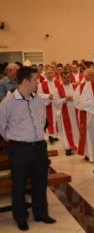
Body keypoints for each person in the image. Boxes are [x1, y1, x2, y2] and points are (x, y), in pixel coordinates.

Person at [0, 67, 56, 231]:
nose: (38, 82)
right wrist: (15, 140)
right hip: (19, 148)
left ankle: (41, 213)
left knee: (40, 182)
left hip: (39, 146)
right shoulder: (7, 103)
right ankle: (21, 217)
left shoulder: (37, 99)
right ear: (26, 81)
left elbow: (42, 119)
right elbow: (2, 127)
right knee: (19, 184)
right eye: (36, 79)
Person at [54, 70, 79, 156]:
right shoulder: (58, 89)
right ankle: (68, 148)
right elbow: (55, 102)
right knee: (66, 130)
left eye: (68, 77)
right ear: (61, 78)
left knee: (76, 129)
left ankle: (77, 145)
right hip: (65, 113)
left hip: (76, 113)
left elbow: (81, 98)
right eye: (64, 78)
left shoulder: (76, 87)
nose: (66, 79)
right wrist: (65, 99)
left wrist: (74, 98)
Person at [37, 65, 60, 144]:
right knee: (49, 120)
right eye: (48, 73)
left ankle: (56, 135)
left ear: (54, 74)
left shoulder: (58, 83)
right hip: (48, 105)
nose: (50, 75)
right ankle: (50, 135)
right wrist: (48, 96)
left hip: (56, 105)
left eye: (51, 73)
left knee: (57, 119)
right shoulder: (41, 85)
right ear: (45, 74)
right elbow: (39, 95)